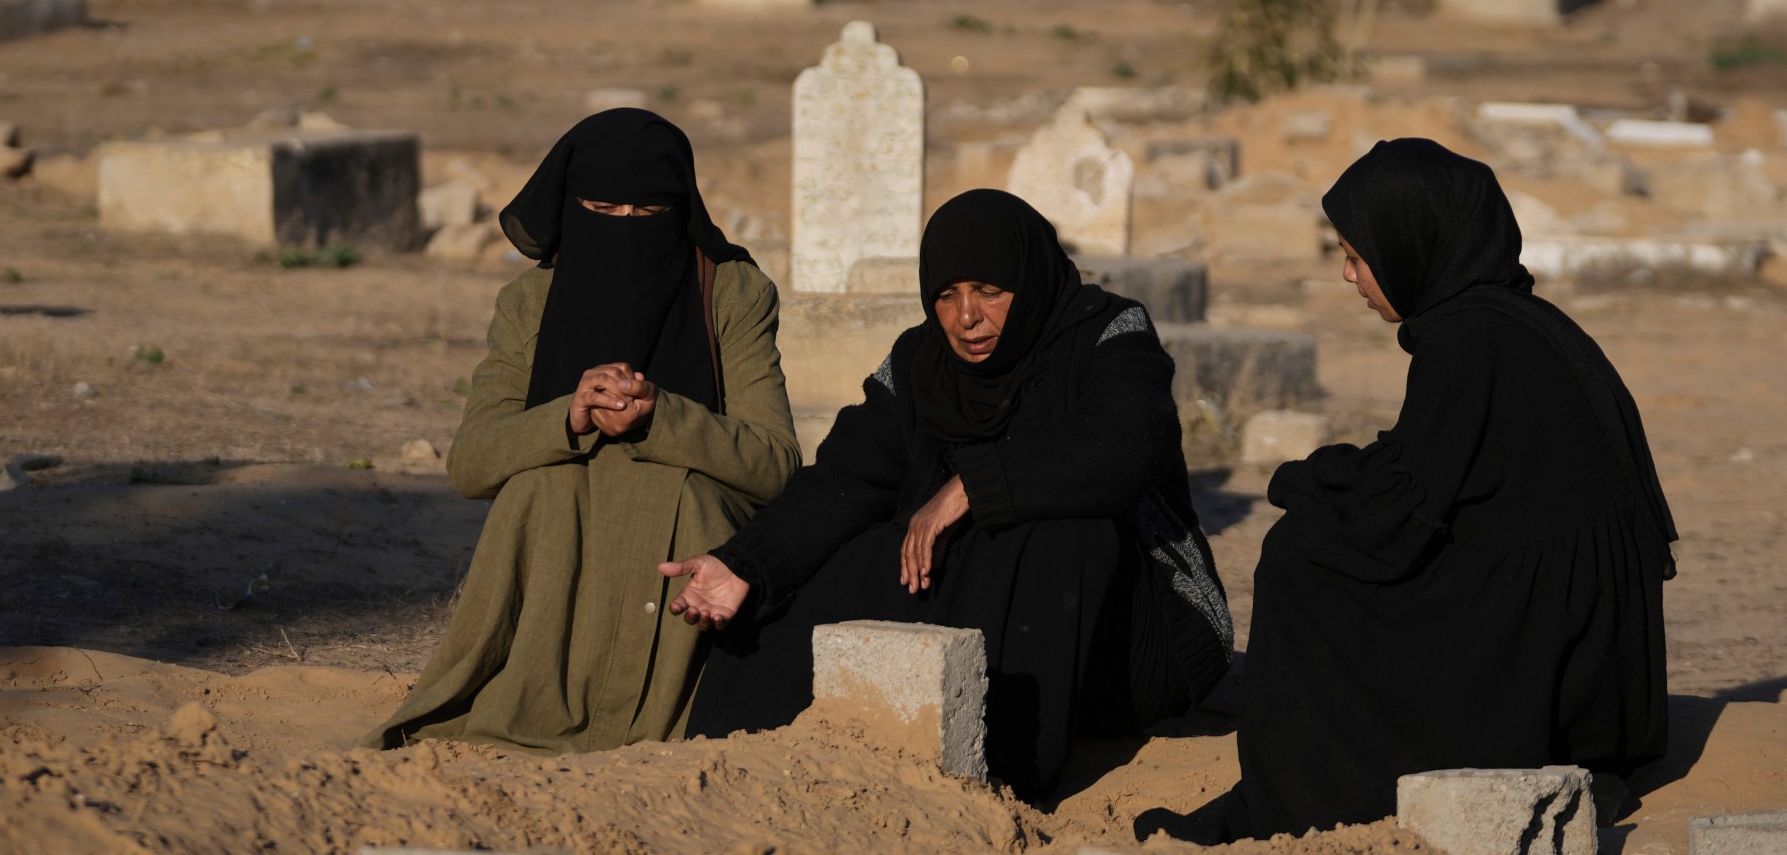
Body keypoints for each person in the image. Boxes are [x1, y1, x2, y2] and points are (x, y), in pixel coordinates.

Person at [1144, 138, 1676, 842]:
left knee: (1302, 559)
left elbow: (1393, 521)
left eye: (1358, 256)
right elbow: (1435, 475)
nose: (1348, 276)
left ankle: (1303, 796)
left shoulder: (1470, 344)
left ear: (1413, 245)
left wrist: (1305, 485)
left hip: (1552, 641)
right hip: (1592, 654)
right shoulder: (1516, 322)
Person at [664, 189, 1232, 796]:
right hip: (982, 618)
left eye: (990, 291)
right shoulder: (918, 361)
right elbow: (844, 481)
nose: (967, 317)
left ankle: (1005, 779)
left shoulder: (1107, 332)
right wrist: (747, 563)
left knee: (1065, 526)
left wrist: (973, 486)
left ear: (1030, 278)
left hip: (1130, 643)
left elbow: (1129, 447)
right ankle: (744, 761)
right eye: (946, 295)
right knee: (828, 567)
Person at [365, 109, 799, 754]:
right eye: (602, 208)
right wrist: (567, 415)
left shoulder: (732, 292)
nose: (624, 230)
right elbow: (472, 463)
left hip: (685, 527)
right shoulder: (528, 302)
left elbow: (776, 463)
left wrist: (663, 415)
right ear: (570, 208)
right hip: (562, 523)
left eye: (648, 215)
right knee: (539, 493)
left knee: (682, 504)